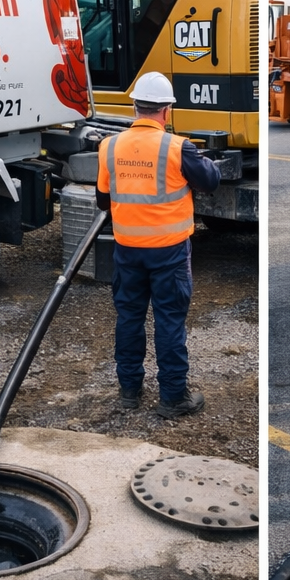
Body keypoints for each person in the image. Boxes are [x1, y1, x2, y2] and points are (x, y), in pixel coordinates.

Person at [96, 71, 222, 419]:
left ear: (135, 106)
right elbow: (210, 180)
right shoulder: (178, 147)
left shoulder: (109, 147)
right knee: (169, 321)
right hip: (168, 252)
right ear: (166, 111)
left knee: (129, 318)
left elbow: (103, 201)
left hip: (127, 252)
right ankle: (172, 397)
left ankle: (129, 392)